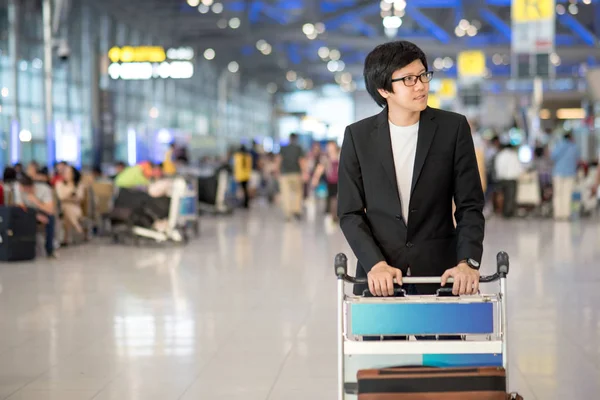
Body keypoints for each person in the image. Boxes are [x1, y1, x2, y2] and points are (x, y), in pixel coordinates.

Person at [337, 40, 485, 298]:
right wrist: (375, 263)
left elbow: (470, 206)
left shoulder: (453, 129)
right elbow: (350, 212)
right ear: (384, 89)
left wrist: (467, 263)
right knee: (382, 339)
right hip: (380, 275)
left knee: (443, 339)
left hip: (442, 273)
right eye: (408, 79)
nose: (420, 85)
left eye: (423, 75)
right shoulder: (358, 137)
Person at [14, 174, 56, 258]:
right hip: (28, 213)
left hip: (42, 211)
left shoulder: (44, 189)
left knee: (51, 219)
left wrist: (36, 201)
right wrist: (35, 215)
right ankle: (23, 248)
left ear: (30, 187)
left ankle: (49, 249)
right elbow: (20, 207)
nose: (22, 190)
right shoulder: (18, 188)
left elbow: (50, 210)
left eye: (24, 189)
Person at [551, 132, 580, 220]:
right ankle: (566, 214)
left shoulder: (558, 145)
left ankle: (558, 214)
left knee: (558, 194)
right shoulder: (574, 147)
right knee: (567, 194)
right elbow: (577, 159)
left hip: (558, 173)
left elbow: (553, 157)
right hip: (570, 173)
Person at [277, 133, 306, 221]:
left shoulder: (283, 148)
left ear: (289, 139)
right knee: (297, 193)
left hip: (285, 174)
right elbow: (301, 161)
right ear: (296, 139)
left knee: (285, 193)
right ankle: (296, 211)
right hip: (296, 173)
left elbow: (279, 160)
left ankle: (288, 214)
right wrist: (304, 172)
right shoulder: (298, 148)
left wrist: (277, 171)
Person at [55, 165, 86, 244]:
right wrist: (71, 194)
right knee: (66, 207)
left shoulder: (79, 184)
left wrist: (68, 196)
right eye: (65, 172)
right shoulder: (59, 184)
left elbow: (79, 198)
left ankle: (66, 238)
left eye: (68, 172)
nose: (66, 174)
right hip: (62, 209)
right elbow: (61, 197)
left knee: (67, 208)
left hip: (76, 209)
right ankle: (77, 227)